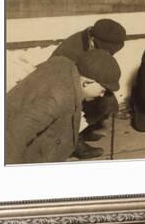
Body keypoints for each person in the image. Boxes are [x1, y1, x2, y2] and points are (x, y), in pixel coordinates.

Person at [5, 49, 121, 164]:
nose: (102, 95)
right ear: (86, 82)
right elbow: (15, 135)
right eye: (102, 90)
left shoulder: (65, 64)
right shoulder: (59, 97)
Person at [50, 18, 126, 159]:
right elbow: (67, 88)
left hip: (82, 83)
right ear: (92, 39)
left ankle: (84, 129)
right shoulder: (71, 51)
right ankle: (73, 143)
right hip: (62, 87)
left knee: (108, 101)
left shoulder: (97, 42)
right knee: (74, 105)